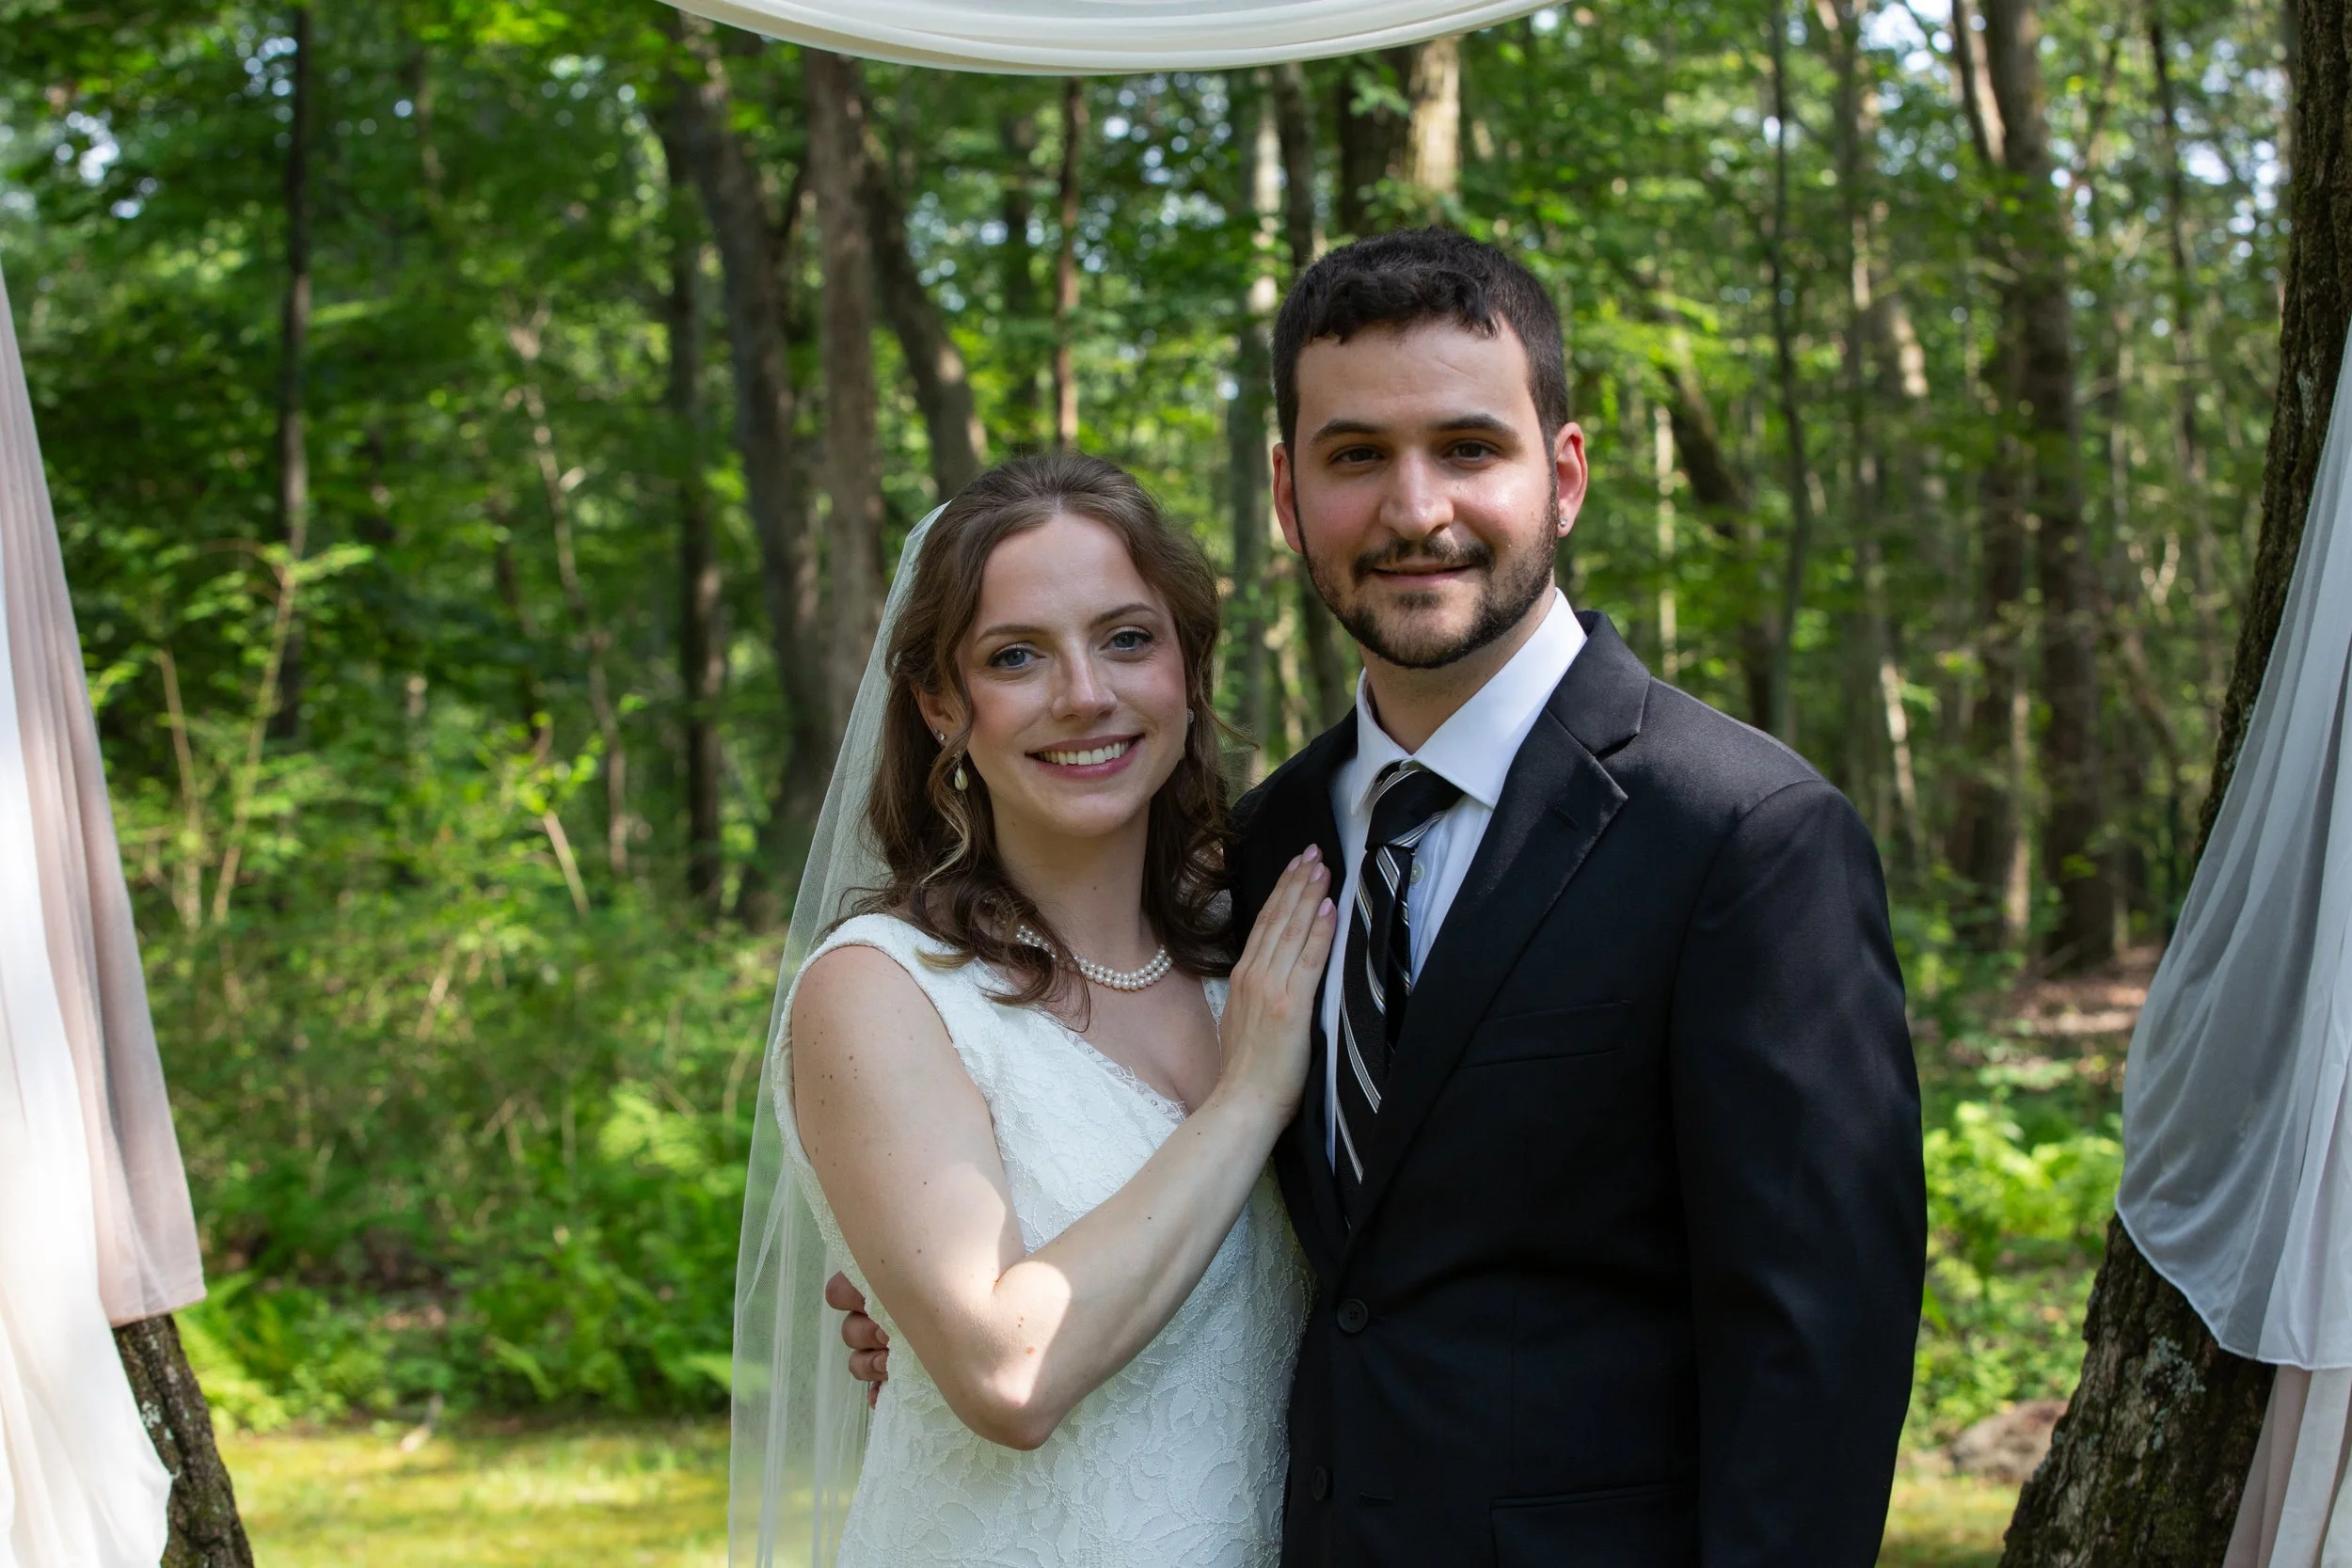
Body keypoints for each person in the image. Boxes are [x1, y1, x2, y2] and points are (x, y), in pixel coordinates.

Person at [835, 229, 1926, 1567]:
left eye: (1469, 447)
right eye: (1358, 456)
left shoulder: (1743, 836)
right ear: (1290, 493)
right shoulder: (1259, 855)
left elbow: (1816, 1352)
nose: (1415, 511)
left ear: (1565, 473)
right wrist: (924, 1292)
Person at [759, 451, 1336, 1567]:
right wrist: (1250, 1094)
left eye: (1127, 637)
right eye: (1015, 656)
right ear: (938, 704)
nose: (1085, 692)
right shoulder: (882, 990)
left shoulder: (1260, 949)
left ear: (1185, 667)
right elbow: (1004, 1371)